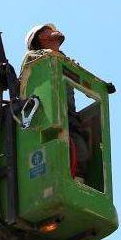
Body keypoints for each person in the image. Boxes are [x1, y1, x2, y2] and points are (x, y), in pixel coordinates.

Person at [21, 23, 90, 183]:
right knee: (56, 151)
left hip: (69, 117)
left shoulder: (64, 59)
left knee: (80, 152)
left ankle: (77, 183)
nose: (54, 30)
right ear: (40, 36)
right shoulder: (33, 57)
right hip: (46, 117)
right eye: (48, 30)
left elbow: (84, 82)